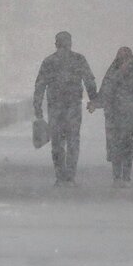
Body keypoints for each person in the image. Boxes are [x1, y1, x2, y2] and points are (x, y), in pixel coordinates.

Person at [34, 31, 98, 185]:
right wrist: (94, 99)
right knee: (73, 140)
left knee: (57, 142)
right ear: (70, 43)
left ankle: (60, 175)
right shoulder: (78, 60)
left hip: (55, 106)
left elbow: (40, 84)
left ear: (56, 44)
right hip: (73, 106)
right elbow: (89, 80)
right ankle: (70, 176)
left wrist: (37, 106)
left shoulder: (49, 61)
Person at [90, 47, 133, 187]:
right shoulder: (116, 74)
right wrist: (96, 103)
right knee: (117, 147)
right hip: (117, 118)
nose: (124, 61)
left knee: (127, 148)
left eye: (126, 57)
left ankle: (125, 177)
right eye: (122, 57)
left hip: (128, 119)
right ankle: (118, 177)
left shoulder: (131, 75)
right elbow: (106, 92)